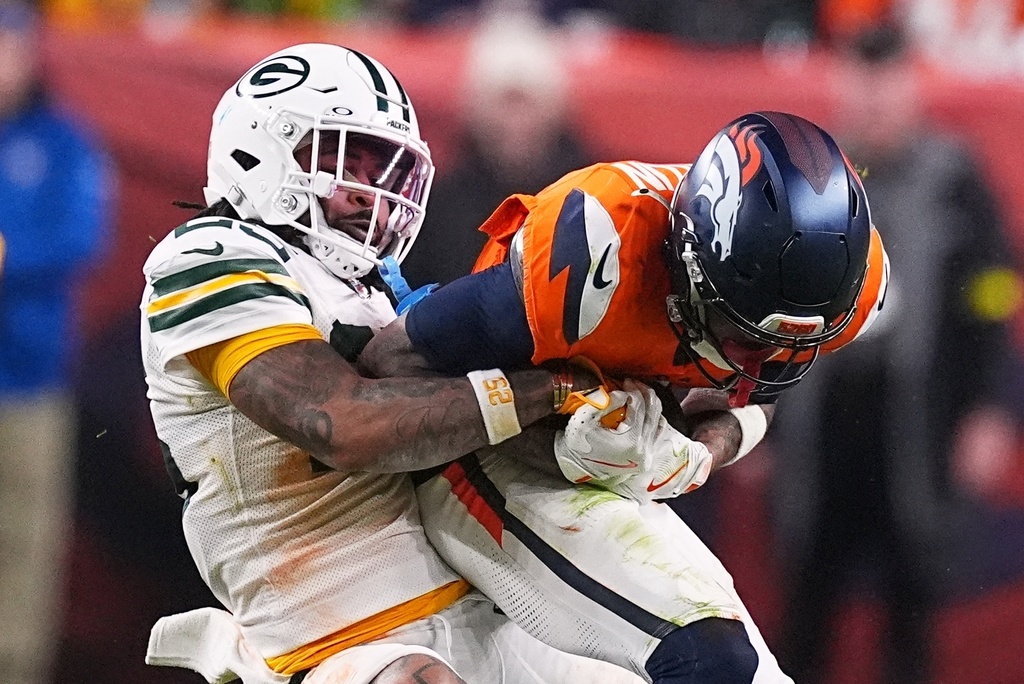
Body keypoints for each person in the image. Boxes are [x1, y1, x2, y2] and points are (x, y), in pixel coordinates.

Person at [140, 42, 640, 684]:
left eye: (383, 172)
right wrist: (550, 390)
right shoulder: (210, 257)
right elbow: (343, 425)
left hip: (480, 608)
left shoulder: (372, 287)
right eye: (341, 162)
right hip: (338, 639)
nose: (368, 196)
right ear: (258, 150)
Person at [359, 110, 889, 683]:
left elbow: (756, 391)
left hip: (603, 479)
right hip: (477, 460)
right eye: (740, 330)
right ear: (690, 259)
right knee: (710, 659)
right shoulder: (598, 249)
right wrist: (558, 428)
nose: (752, 357)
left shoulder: (836, 286)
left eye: (781, 343)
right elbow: (393, 365)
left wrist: (700, 453)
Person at [769, 25, 1021, 684]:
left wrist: (991, 405)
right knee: (806, 603)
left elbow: (994, 293)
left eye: (888, 83)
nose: (875, 100)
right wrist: (756, 413)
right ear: (840, 85)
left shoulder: (954, 179)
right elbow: (762, 300)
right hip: (820, 421)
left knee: (912, 604)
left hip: (918, 421)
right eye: (863, 82)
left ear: (912, 86)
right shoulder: (806, 181)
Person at [0, 2, 114, 683]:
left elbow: (81, 236)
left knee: (22, 538)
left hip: (27, 378)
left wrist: (8, 258)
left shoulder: (63, 141)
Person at [399, 11, 595, 287]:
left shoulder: (592, 198)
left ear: (554, 108)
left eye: (526, 102)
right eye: (505, 103)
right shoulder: (439, 207)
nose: (515, 122)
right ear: (477, 110)